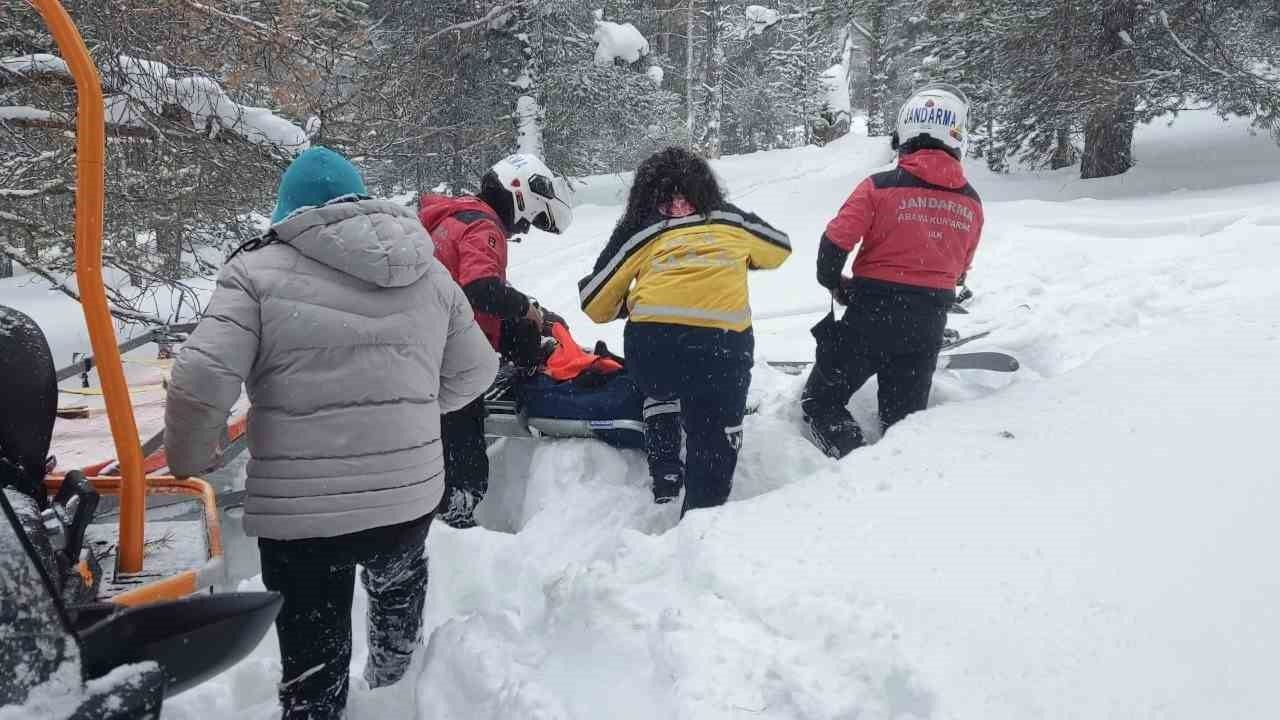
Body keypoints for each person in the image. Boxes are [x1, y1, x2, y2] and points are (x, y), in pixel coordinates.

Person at [164, 147, 498, 720]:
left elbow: (200, 378)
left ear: (288, 209)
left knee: (314, 658)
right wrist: (414, 414)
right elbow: (476, 370)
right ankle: (395, 693)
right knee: (398, 593)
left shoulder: (254, 271)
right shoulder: (425, 267)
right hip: (405, 500)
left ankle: (321, 705)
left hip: (304, 519)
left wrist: (191, 459)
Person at [578, 147, 791, 516]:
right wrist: (742, 259)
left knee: (659, 385)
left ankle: (665, 470)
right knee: (713, 439)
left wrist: (627, 305)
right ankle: (701, 516)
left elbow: (594, 301)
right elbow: (780, 248)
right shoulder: (730, 220)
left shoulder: (640, 228)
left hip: (655, 350)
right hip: (724, 351)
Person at [801, 83, 984, 459]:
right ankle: (896, 478)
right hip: (927, 325)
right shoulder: (971, 203)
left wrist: (835, 283)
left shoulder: (878, 187)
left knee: (821, 401)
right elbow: (960, 272)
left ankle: (852, 462)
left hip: (872, 316)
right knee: (904, 425)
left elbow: (833, 244)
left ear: (905, 132)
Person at [418, 154, 573, 528]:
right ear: (520, 192)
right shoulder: (484, 225)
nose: (524, 229)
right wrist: (525, 310)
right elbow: (481, 289)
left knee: (438, 443)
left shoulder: (455, 215)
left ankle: (444, 513)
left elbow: (461, 289)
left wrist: (527, 316)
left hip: (425, 344)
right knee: (463, 453)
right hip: (449, 356)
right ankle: (458, 526)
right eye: (529, 220)